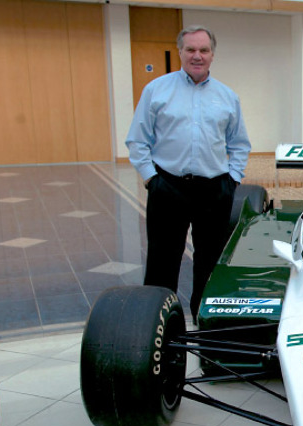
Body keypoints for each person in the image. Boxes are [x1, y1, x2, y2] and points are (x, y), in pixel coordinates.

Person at [126, 25, 251, 319]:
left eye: (203, 50)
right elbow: (137, 139)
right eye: (191, 50)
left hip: (215, 189)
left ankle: (205, 317)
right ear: (180, 52)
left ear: (212, 54)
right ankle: (157, 322)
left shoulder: (227, 96)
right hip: (168, 186)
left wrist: (232, 180)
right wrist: (151, 178)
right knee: (162, 260)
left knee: (211, 260)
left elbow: (239, 143)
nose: (197, 56)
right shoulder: (156, 90)